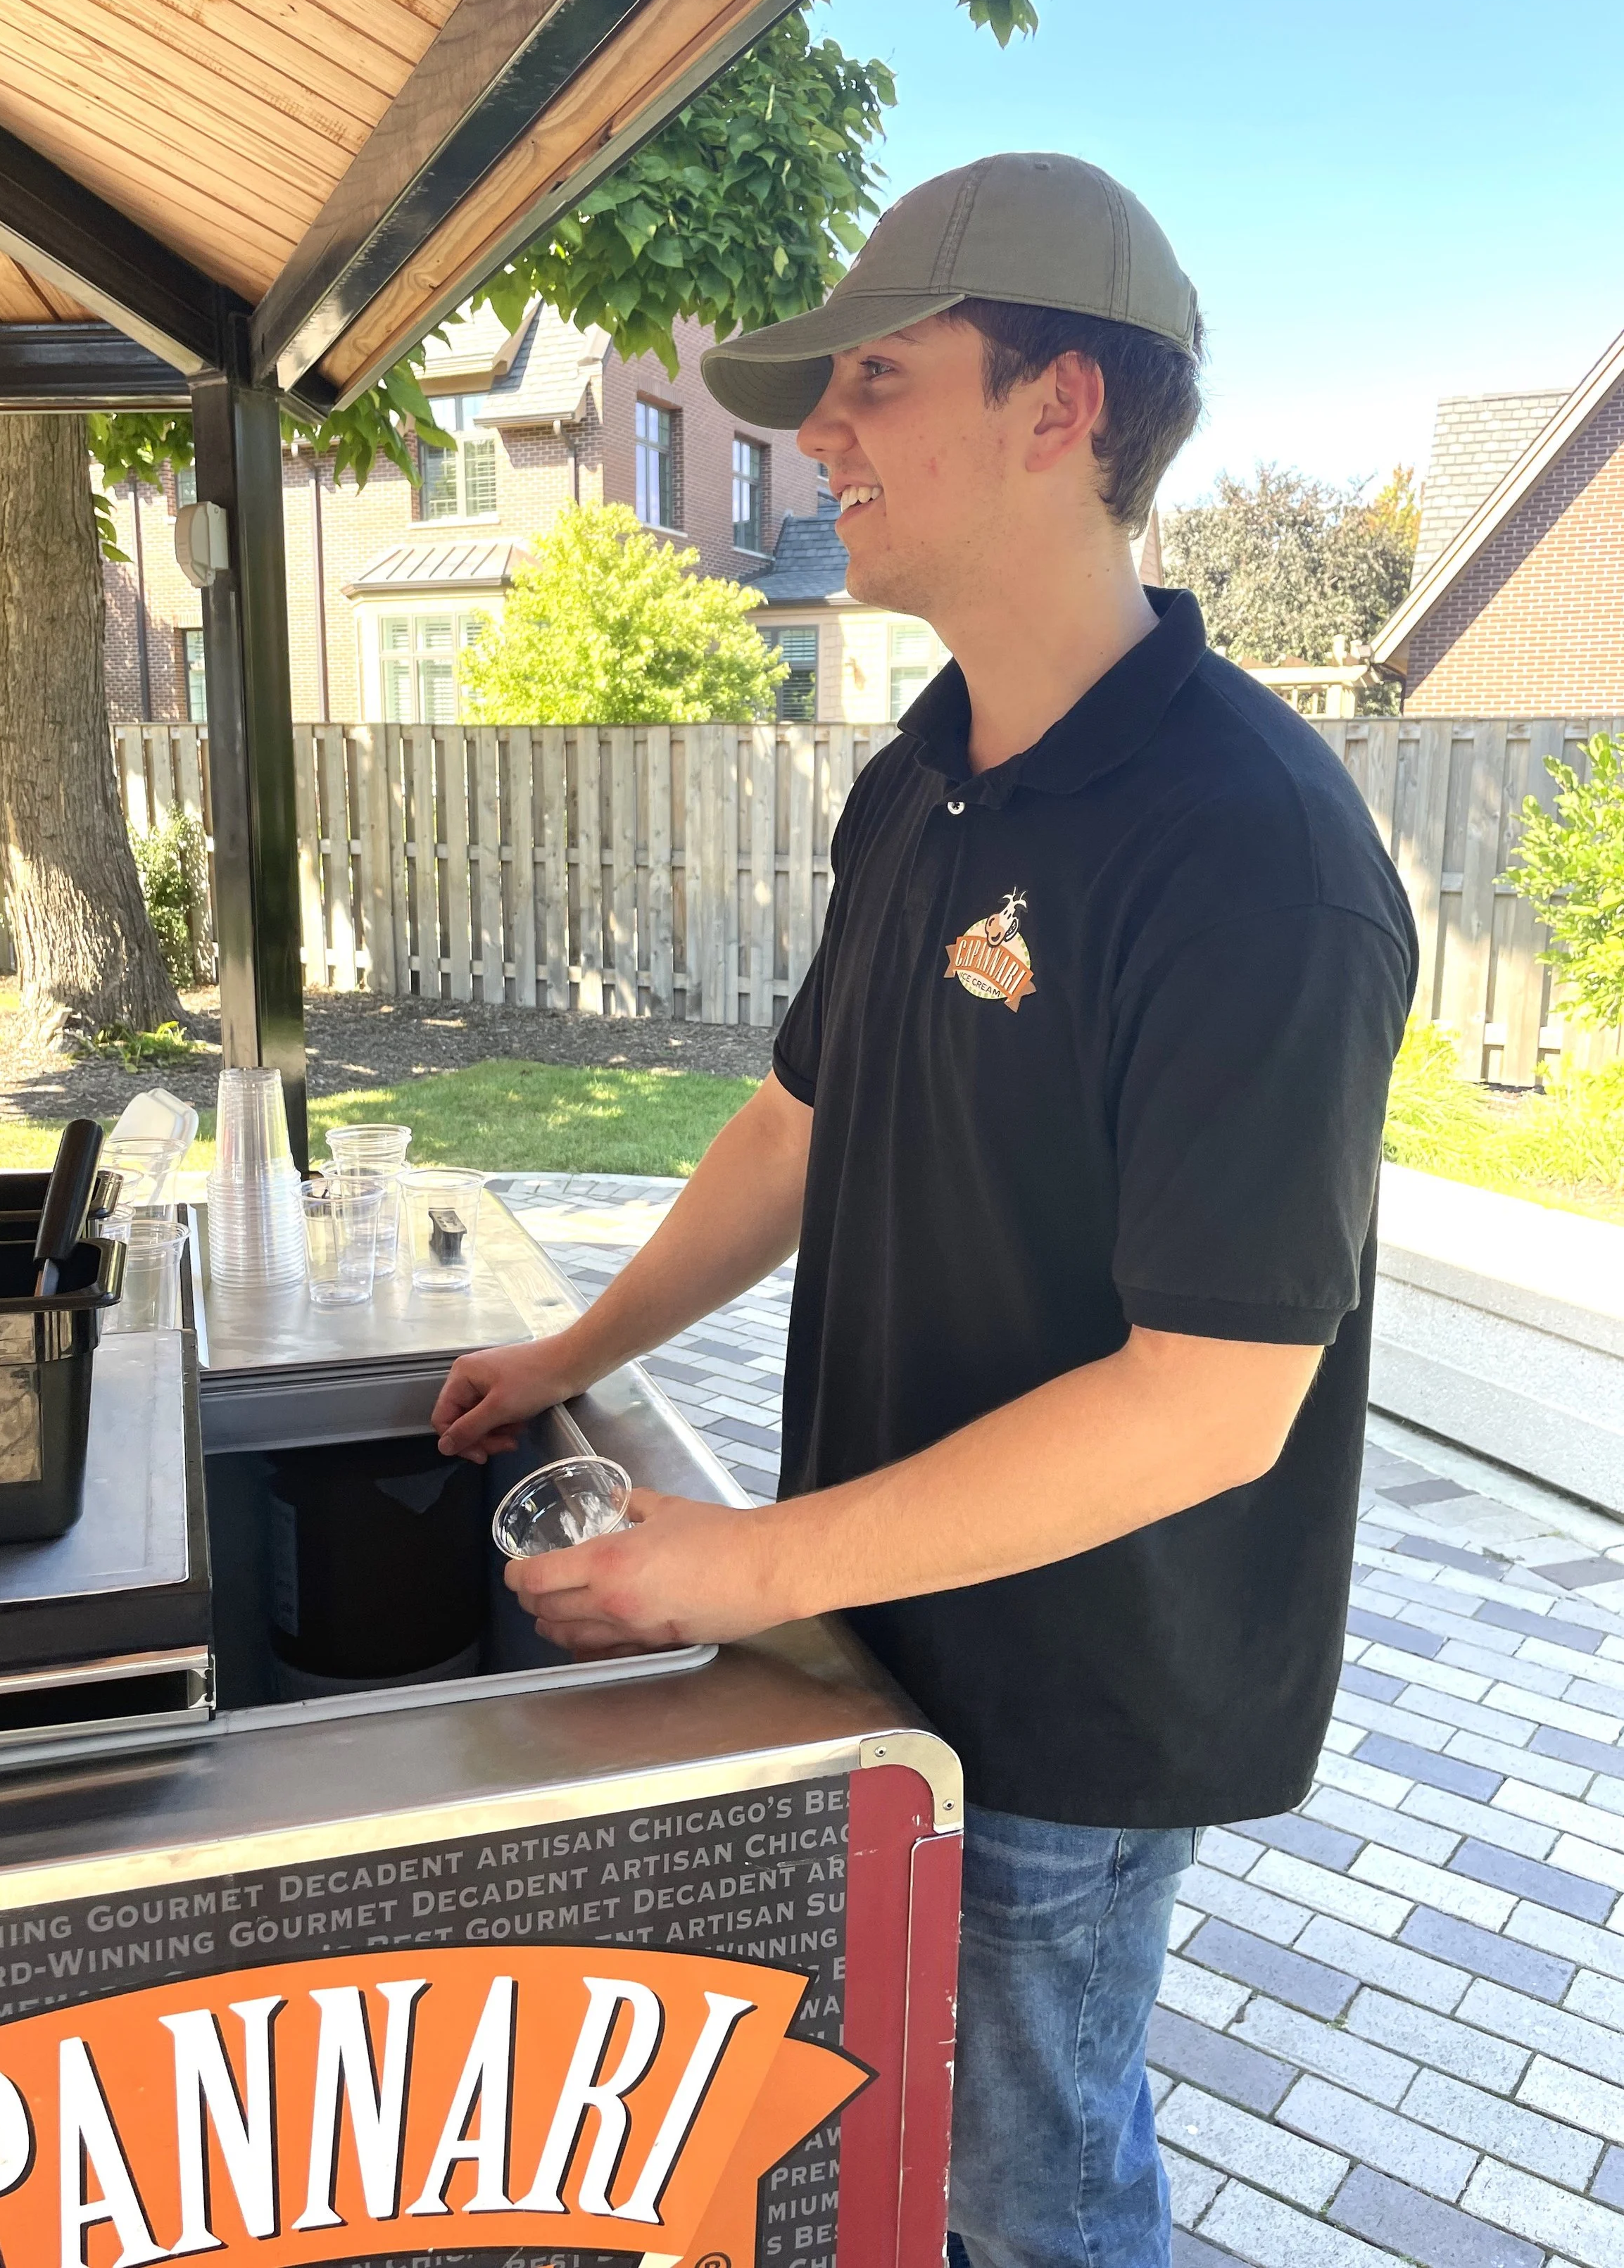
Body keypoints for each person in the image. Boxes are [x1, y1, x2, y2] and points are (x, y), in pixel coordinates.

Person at [434, 153, 1416, 2268]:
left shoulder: (1253, 844)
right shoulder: (924, 773)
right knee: (902, 2161)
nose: (820, 436)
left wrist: (739, 1560)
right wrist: (572, 1356)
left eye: (880, 380)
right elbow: (800, 1120)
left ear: (1061, 409)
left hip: (1077, 1691)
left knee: (1033, 2184)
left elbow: (1211, 1402)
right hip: (879, 1632)